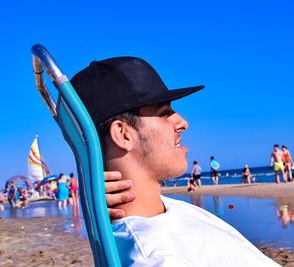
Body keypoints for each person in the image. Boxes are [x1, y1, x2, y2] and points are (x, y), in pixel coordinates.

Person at [70, 56, 279, 266]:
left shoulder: (163, 209)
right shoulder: (154, 256)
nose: (183, 123)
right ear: (123, 134)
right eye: (164, 113)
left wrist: (93, 199)